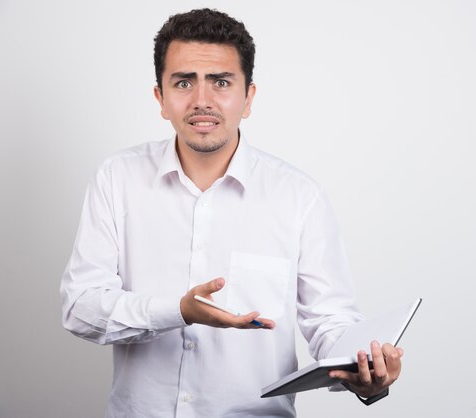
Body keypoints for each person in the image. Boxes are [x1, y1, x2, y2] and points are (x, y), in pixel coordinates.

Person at [60, 8, 403, 417]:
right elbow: (80, 307)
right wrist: (177, 311)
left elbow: (329, 322)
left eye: (220, 82)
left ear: (248, 97)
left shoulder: (298, 196)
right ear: (161, 99)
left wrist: (365, 368)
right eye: (184, 82)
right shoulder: (117, 178)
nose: (202, 100)